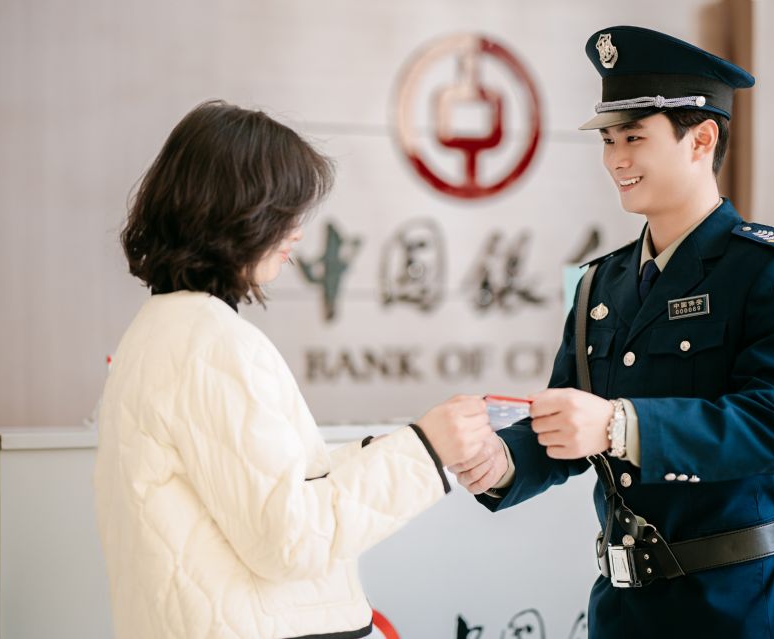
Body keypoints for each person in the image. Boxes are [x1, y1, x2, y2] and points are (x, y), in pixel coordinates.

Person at [449, 26, 774, 637]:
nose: (616, 160)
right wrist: (501, 462)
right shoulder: (600, 284)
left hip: (733, 606)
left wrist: (618, 425)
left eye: (634, 137)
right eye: (608, 140)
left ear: (701, 139)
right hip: (621, 608)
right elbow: (565, 421)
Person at [93, 100, 491, 639]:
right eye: (286, 211)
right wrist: (425, 450)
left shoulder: (163, 329)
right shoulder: (213, 343)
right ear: (237, 211)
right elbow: (288, 538)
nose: (298, 233)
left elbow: (260, 491)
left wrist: (390, 451)